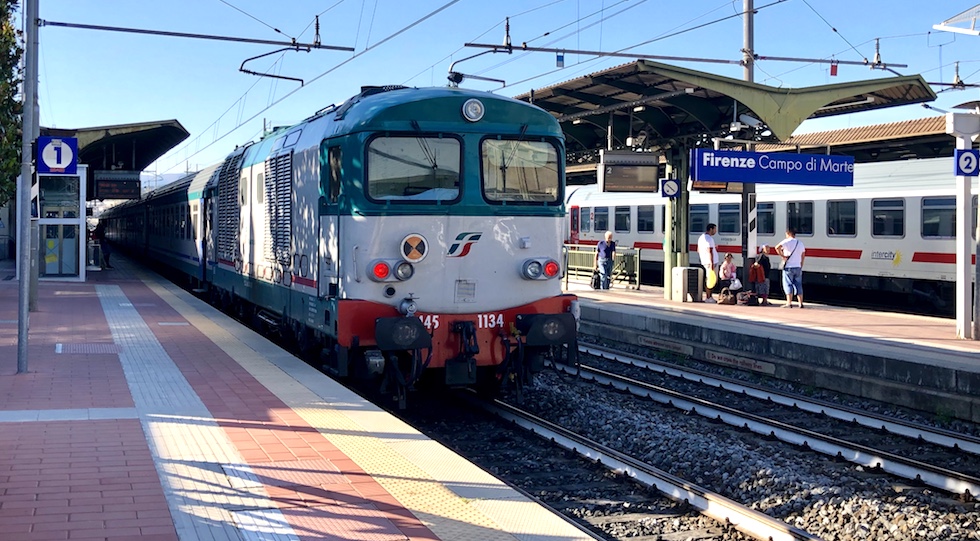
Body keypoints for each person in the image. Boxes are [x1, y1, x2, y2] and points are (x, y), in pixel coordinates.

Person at [776, 228, 805, 308]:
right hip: (798, 266)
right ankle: (800, 303)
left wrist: (783, 256)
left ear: (788, 233)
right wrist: (801, 264)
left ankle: (789, 303)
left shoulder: (786, 241)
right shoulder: (800, 243)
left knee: (788, 284)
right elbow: (803, 256)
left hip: (788, 267)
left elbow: (777, 247)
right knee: (798, 285)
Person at [697, 223, 718, 302]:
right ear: (711, 229)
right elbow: (710, 251)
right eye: (715, 229)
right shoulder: (709, 239)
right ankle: (709, 298)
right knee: (711, 280)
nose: (715, 231)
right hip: (711, 263)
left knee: (709, 279)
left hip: (705, 261)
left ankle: (709, 297)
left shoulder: (701, 237)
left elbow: (698, 250)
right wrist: (711, 263)